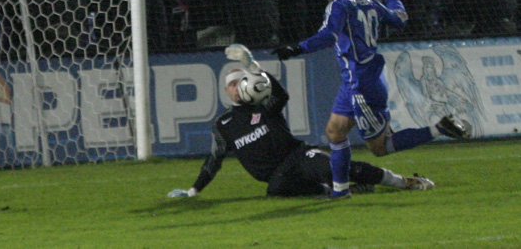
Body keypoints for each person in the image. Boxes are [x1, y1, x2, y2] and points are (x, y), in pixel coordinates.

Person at [271, 0, 470, 198]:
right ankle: (340, 191)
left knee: (381, 146)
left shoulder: (338, 4)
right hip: (358, 80)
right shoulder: (367, 1)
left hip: (360, 84)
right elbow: (400, 19)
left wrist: (297, 48)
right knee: (335, 132)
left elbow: (329, 35)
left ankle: (439, 128)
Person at [167, 44, 435, 199]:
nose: (238, 88)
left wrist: (254, 66)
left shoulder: (264, 105)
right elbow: (213, 160)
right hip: (276, 179)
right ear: (226, 90)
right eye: (233, 84)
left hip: (299, 156)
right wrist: (193, 191)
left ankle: (403, 182)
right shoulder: (223, 124)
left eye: (242, 82)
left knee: (338, 168)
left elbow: (282, 95)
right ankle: (355, 189)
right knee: (282, 193)